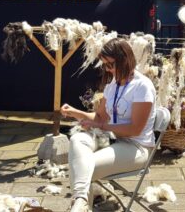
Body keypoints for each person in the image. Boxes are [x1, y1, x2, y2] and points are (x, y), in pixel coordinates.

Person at [61, 38, 156, 212]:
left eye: (110, 64)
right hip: (114, 140)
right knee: (78, 139)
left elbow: (134, 129)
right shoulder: (112, 84)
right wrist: (74, 112)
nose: (107, 69)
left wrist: (103, 127)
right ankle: (81, 201)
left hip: (137, 147)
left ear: (125, 60)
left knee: (82, 167)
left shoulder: (142, 86)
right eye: (105, 65)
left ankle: (79, 205)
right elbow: (100, 117)